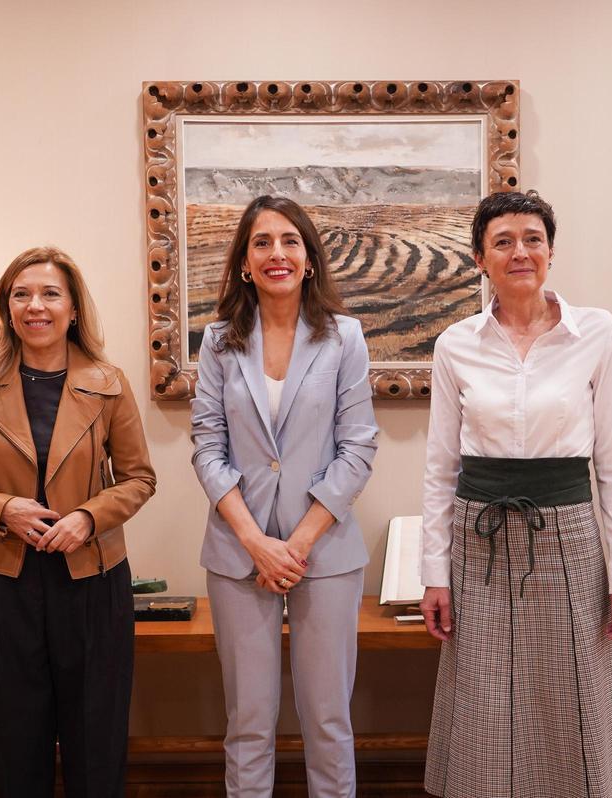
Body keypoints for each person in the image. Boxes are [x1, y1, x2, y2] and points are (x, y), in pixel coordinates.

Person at [419, 191, 612, 798]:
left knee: (572, 694)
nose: (521, 252)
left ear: (550, 250)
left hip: (569, 535)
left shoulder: (596, 332)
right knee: (484, 696)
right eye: (503, 242)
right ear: (479, 258)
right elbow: (440, 469)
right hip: (477, 537)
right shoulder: (454, 345)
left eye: (533, 239)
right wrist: (434, 574)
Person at [0, 246, 156, 798]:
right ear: (7, 309)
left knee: (96, 740)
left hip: (93, 581)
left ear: (74, 309)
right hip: (2, 582)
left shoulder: (109, 382)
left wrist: (88, 516)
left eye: (50, 293)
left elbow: (138, 478)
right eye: (21, 294)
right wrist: (3, 509)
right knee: (12, 743)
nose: (36, 305)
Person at [191, 195, 378, 797]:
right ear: (245, 261)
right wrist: (254, 542)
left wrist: (295, 544)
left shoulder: (344, 337)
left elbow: (358, 448)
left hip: (322, 553)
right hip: (238, 554)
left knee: (328, 722)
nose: (277, 253)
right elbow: (206, 448)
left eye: (290, 241)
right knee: (248, 724)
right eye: (262, 242)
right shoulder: (218, 341)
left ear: (309, 258)